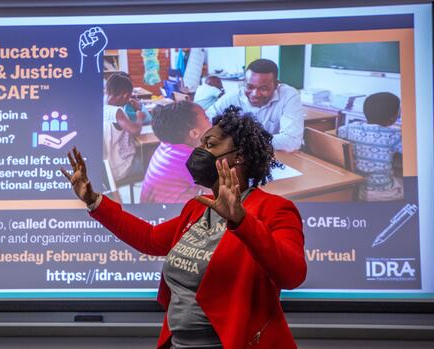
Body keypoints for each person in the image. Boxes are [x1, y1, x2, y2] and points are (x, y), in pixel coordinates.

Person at [61, 106, 306, 349]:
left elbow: (292, 274)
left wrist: (242, 222)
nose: (198, 151)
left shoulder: (274, 209)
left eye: (209, 145)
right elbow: (149, 238)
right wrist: (94, 201)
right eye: (199, 144)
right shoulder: (197, 207)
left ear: (239, 155)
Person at [206, 59, 303, 152]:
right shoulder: (234, 97)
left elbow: (292, 141)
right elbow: (206, 120)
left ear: (276, 85)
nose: (255, 94)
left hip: (276, 157)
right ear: (244, 82)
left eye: (263, 88)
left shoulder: (289, 96)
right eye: (250, 87)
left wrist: (243, 141)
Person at [140, 101, 212, 204]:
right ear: (194, 133)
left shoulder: (166, 146)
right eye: (207, 118)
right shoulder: (194, 160)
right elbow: (219, 195)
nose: (211, 123)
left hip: (151, 215)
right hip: (171, 217)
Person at [338, 92, 403, 201]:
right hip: (382, 192)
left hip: (355, 187)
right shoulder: (395, 136)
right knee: (410, 183)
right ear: (394, 117)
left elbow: (340, 131)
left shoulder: (348, 129)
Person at [103, 72, 145, 181]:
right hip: (118, 168)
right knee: (150, 158)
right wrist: (139, 115)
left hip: (105, 167)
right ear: (126, 95)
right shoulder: (116, 112)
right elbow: (135, 130)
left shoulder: (102, 106)